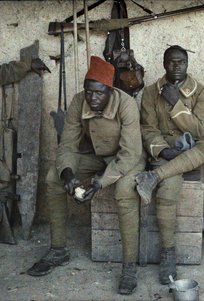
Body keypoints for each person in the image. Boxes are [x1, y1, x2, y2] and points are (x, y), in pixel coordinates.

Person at [27, 56, 146, 295]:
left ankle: (129, 266)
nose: (92, 98)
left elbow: (131, 152)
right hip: (96, 156)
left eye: (99, 93)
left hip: (126, 159)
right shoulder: (78, 101)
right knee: (54, 177)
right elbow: (68, 145)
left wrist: (101, 182)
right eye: (88, 91)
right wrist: (69, 173)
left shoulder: (126, 104)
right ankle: (58, 249)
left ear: (110, 90)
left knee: (124, 192)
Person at [136, 45, 204, 284]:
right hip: (165, 154)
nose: (176, 66)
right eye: (171, 62)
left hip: (190, 153)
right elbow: (148, 129)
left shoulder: (201, 91)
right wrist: (164, 150)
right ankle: (168, 253)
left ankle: (154, 176)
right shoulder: (152, 92)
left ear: (187, 64)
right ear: (164, 64)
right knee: (168, 191)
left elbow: (201, 130)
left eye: (181, 62)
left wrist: (176, 104)